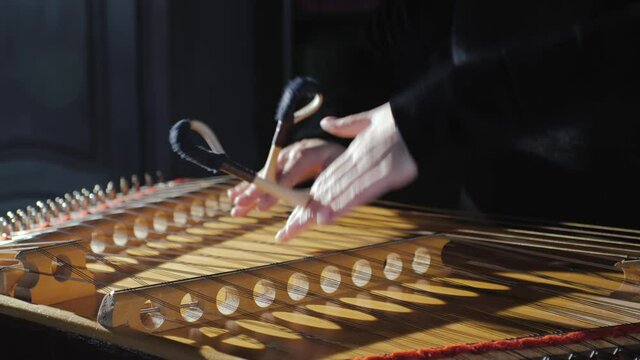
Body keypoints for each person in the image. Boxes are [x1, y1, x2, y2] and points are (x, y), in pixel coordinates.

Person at [230, 0, 640, 243]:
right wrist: (335, 135)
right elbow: (382, 52)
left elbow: (611, 52)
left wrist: (433, 115)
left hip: (621, 246)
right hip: (491, 240)